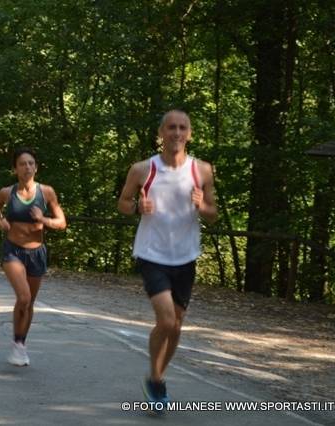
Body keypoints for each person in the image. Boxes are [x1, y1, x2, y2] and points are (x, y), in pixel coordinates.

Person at [117, 110, 218, 409]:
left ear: (190, 134)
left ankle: (156, 378)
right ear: (161, 132)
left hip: (185, 257)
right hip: (151, 254)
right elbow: (122, 203)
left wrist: (203, 207)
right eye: (171, 127)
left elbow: (213, 215)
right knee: (166, 319)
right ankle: (156, 379)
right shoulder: (142, 169)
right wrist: (137, 207)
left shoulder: (202, 170)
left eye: (182, 128)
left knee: (176, 326)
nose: (176, 133)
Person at [0, 147, 66, 366]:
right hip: (13, 250)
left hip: (37, 252)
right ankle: (18, 344)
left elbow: (62, 222)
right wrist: (0, 220)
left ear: (36, 167)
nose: (27, 167)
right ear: (15, 169)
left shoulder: (47, 192)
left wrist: (44, 220)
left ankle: (19, 344)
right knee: (23, 297)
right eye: (22, 164)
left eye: (31, 163)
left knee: (29, 302)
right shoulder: (7, 192)